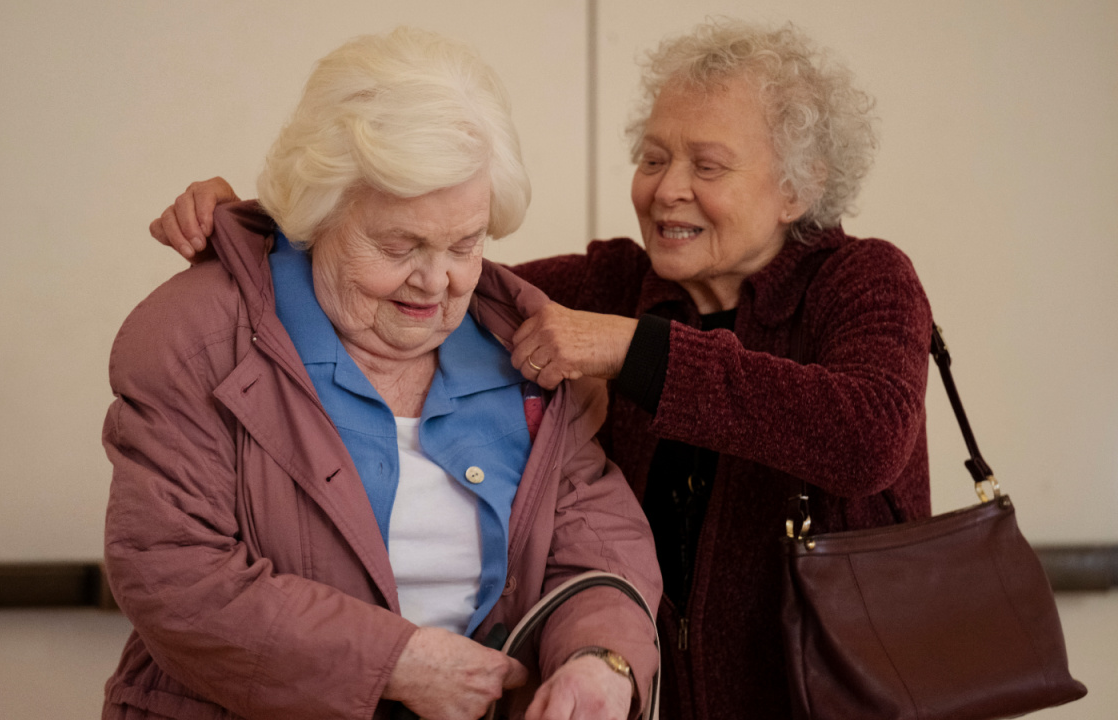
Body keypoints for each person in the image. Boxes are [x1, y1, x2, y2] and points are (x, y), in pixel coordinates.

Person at [149, 18, 934, 720]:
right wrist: (262, 222)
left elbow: (867, 436)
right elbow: (415, 252)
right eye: (653, 157)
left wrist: (631, 351)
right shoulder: (614, 284)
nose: (667, 189)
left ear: (798, 187)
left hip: (826, 697)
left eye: (708, 165)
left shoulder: (861, 280)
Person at [104, 27, 661, 720]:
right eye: (399, 244)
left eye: (465, 243)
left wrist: (602, 659)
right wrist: (393, 665)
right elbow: (173, 573)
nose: (436, 281)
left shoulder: (524, 347)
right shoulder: (196, 339)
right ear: (317, 213)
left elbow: (596, 543)